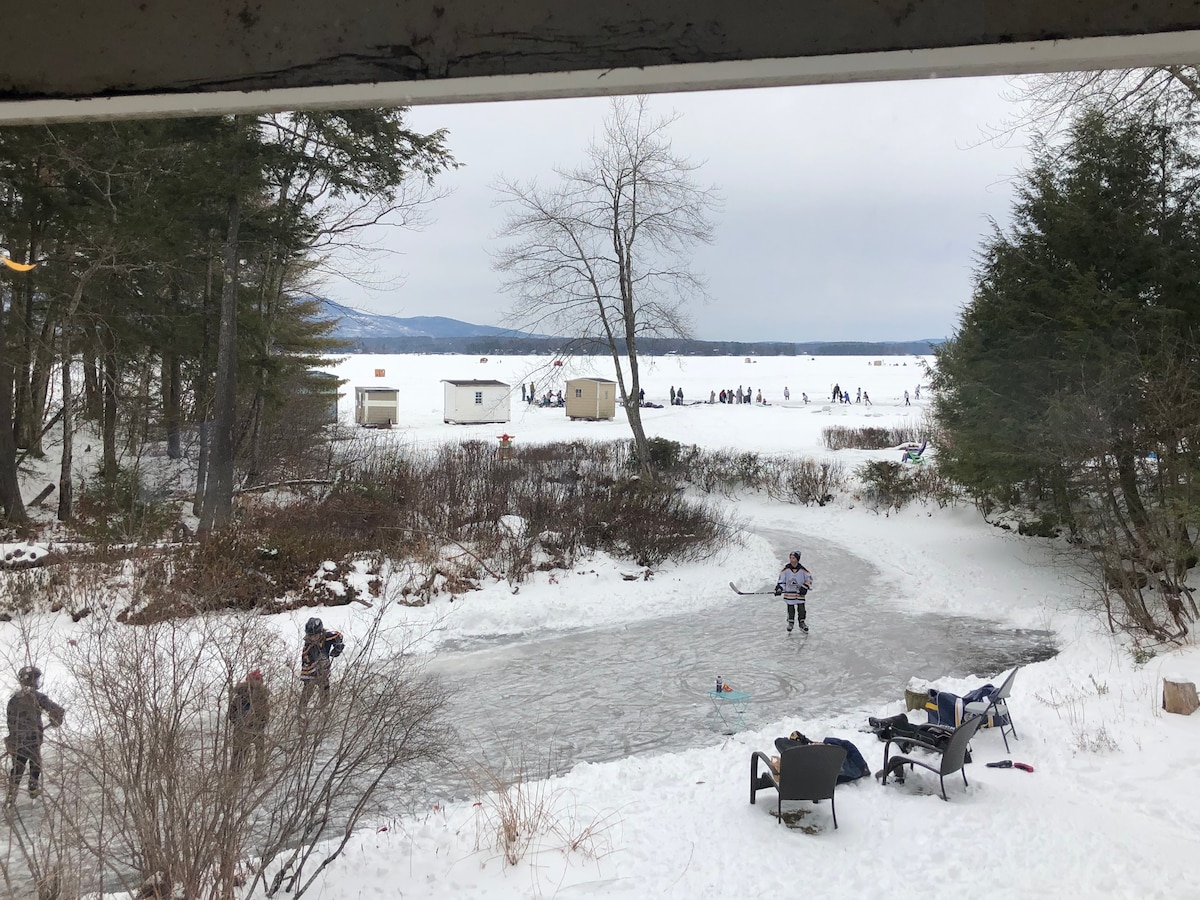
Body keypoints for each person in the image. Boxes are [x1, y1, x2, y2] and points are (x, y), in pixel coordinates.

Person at [5, 666, 64, 802]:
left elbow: (10, 721)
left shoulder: (13, 699)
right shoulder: (37, 697)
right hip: (32, 737)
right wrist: (56, 718)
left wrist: (12, 739)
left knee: (18, 766)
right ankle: (33, 787)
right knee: (35, 762)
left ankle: (12, 792)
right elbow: (56, 709)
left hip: (17, 740)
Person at [229, 669, 270, 779]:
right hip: (257, 729)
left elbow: (231, 713)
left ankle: (234, 774)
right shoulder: (261, 697)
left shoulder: (239, 695)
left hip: (240, 728)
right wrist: (260, 725)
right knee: (260, 750)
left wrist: (237, 723)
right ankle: (258, 772)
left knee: (238, 752)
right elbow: (265, 714)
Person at [300, 617, 344, 710]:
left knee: (325, 689)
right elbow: (305, 665)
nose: (313, 638)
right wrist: (314, 670)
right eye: (311, 636)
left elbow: (338, 636)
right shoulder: (308, 648)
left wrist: (337, 648)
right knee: (308, 689)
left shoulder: (327, 637)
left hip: (324, 670)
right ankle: (302, 709)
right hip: (311, 672)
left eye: (315, 635)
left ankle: (324, 708)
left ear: (320, 632)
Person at [774, 550, 813, 633]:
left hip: (799, 594)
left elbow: (809, 579)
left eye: (794, 558)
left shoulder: (803, 570)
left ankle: (802, 622)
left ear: (797, 559)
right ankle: (790, 622)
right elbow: (781, 580)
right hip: (789, 594)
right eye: (790, 558)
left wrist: (805, 587)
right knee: (790, 608)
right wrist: (779, 588)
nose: (792, 560)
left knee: (801, 608)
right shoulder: (786, 570)